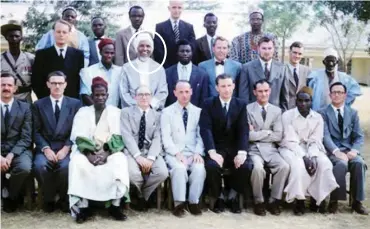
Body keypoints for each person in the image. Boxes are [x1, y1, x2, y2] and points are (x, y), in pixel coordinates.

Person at [68, 77, 129, 223]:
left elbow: (119, 137)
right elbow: (78, 136)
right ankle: (83, 207)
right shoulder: (83, 112)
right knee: (77, 162)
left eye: (103, 95)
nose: (100, 98)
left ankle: (115, 206)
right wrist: (89, 155)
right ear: (91, 96)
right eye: (97, 95)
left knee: (120, 160)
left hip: (109, 151)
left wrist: (106, 153)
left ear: (108, 95)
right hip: (87, 152)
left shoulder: (116, 112)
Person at [279, 87, 338, 216]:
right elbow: (290, 140)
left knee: (324, 164)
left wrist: (313, 156)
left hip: (313, 148)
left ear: (311, 101)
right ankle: (299, 200)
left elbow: (316, 140)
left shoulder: (317, 118)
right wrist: (305, 157)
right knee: (299, 166)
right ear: (295, 101)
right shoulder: (287, 116)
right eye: (300, 100)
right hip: (290, 148)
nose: (303, 104)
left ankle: (318, 198)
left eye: (306, 101)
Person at [199, 73, 253, 214]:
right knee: (211, 166)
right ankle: (219, 197)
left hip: (234, 148)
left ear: (234, 86)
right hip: (216, 148)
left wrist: (242, 152)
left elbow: (243, 130)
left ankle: (233, 196)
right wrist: (212, 152)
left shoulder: (240, 104)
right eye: (223, 86)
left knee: (246, 165)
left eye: (229, 85)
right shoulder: (208, 104)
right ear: (217, 88)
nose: (226, 89)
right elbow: (206, 129)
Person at [33, 71, 81, 213]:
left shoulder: (75, 103)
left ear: (65, 85)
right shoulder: (39, 104)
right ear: (48, 84)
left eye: (60, 83)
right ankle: (48, 198)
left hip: (65, 147)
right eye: (54, 83)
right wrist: (45, 149)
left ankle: (64, 199)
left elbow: (77, 129)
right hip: (46, 146)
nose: (57, 86)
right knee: (39, 166)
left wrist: (67, 148)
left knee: (67, 167)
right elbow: (35, 131)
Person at [319, 82, 368, 215]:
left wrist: (354, 150)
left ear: (345, 95)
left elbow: (359, 136)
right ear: (330, 95)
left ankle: (357, 202)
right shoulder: (322, 113)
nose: (336, 95)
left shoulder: (352, 113)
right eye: (334, 92)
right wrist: (336, 151)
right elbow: (325, 136)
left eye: (340, 92)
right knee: (340, 164)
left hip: (349, 150)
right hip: (332, 151)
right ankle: (334, 200)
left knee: (359, 163)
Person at [161, 80, 206, 217]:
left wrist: (198, 152)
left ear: (191, 92)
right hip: (174, 152)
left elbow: (201, 136)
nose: (184, 95)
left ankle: (193, 202)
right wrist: (176, 153)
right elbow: (166, 137)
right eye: (181, 92)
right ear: (175, 93)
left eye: (187, 92)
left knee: (199, 168)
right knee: (179, 169)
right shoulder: (167, 112)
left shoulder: (198, 112)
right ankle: (179, 204)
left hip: (193, 152)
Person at [120, 85, 168, 211]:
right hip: (132, 151)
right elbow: (127, 136)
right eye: (140, 94)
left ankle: (143, 196)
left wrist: (151, 158)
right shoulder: (126, 113)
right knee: (132, 173)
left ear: (151, 97)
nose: (144, 97)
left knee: (162, 172)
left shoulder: (157, 115)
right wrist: (137, 156)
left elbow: (158, 138)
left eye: (147, 94)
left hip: (150, 151)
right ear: (135, 97)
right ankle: (141, 196)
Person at [247, 79, 289, 216]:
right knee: (258, 169)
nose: (263, 94)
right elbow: (248, 136)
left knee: (284, 166)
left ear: (270, 91)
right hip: (254, 150)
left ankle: (273, 200)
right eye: (260, 91)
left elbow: (278, 136)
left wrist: (257, 133)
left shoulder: (277, 111)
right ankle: (258, 201)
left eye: (266, 91)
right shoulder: (248, 109)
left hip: (271, 149)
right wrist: (267, 132)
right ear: (255, 92)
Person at [1, 72, 32, 213]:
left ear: (15, 89)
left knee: (25, 167)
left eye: (9, 85)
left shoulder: (25, 107)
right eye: (2, 85)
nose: (6, 88)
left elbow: (26, 137)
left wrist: (11, 155)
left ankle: (11, 195)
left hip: (18, 150)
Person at [32, 19, 84, 99]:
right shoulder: (42, 55)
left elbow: (78, 81)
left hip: (71, 101)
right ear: (53, 33)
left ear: (69, 34)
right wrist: (44, 99)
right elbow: (36, 80)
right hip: (47, 100)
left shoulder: (78, 55)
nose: (61, 35)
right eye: (58, 32)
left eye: (64, 32)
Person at [119, 32, 168, 110]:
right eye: (141, 46)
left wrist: (150, 105)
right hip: (132, 110)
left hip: (153, 111)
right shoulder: (127, 68)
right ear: (136, 47)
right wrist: (137, 106)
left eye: (148, 46)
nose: (145, 49)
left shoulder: (159, 68)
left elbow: (162, 92)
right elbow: (124, 92)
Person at [238, 36, 288, 111]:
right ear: (258, 49)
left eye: (269, 48)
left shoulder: (282, 68)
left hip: (276, 114)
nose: (267, 52)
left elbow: (285, 96)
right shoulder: (247, 68)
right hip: (254, 114)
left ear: (274, 49)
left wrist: (284, 114)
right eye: (264, 48)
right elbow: (243, 96)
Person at [165, 39, 209, 107]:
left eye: (188, 51)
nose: (185, 53)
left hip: (195, 114)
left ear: (192, 53)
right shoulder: (168, 73)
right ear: (177, 53)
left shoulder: (202, 74)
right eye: (182, 51)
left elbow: (204, 98)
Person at [154, 0, 196, 68]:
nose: (176, 10)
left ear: (182, 8)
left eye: (179, 7)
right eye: (174, 7)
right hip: (167, 67)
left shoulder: (189, 27)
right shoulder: (160, 27)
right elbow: (158, 51)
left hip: (185, 67)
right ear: (169, 8)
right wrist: (167, 68)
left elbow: (192, 49)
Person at [80, 38, 122, 107]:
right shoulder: (88, 71)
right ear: (100, 52)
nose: (109, 56)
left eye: (112, 53)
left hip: (115, 113)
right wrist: (100, 110)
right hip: (94, 113)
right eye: (106, 52)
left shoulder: (120, 71)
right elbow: (85, 95)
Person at [1, 20, 34, 103]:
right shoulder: (1, 59)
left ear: (21, 38)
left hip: (25, 100)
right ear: (6, 38)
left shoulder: (30, 58)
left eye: (17, 36)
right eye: (11, 36)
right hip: (5, 100)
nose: (14, 39)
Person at [284, 41, 311, 109]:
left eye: (300, 54)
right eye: (295, 53)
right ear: (289, 52)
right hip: (286, 109)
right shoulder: (281, 69)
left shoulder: (307, 71)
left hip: (302, 110)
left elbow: (309, 92)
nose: (297, 56)